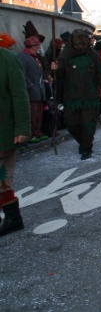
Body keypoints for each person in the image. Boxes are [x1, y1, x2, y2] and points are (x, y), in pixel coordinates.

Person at [52, 29, 101, 160]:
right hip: (72, 97)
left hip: (90, 96)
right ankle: (82, 142)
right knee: (72, 124)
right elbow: (60, 76)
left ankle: (86, 147)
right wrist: (55, 70)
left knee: (88, 124)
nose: (81, 46)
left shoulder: (93, 55)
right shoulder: (65, 56)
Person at [0, 33, 31, 236]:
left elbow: (19, 95)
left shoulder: (7, 59)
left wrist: (22, 128)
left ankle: (13, 218)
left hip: (3, 130)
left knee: (2, 178)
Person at [18, 36, 47, 143]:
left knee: (39, 113)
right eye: (36, 45)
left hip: (39, 90)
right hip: (32, 91)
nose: (38, 47)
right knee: (32, 113)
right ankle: (32, 134)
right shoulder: (23, 57)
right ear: (31, 46)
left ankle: (37, 131)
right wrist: (30, 86)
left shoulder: (35, 57)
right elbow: (22, 74)